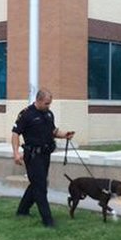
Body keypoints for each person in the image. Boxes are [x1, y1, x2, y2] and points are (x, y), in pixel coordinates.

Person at [11, 89, 75, 227]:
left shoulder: (49, 114)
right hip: (33, 156)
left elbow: (53, 131)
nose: (48, 106)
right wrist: (16, 153)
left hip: (45, 155)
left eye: (50, 103)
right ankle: (48, 220)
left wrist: (65, 134)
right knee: (40, 186)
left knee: (37, 184)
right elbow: (15, 133)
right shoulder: (26, 114)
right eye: (46, 103)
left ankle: (22, 211)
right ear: (38, 100)